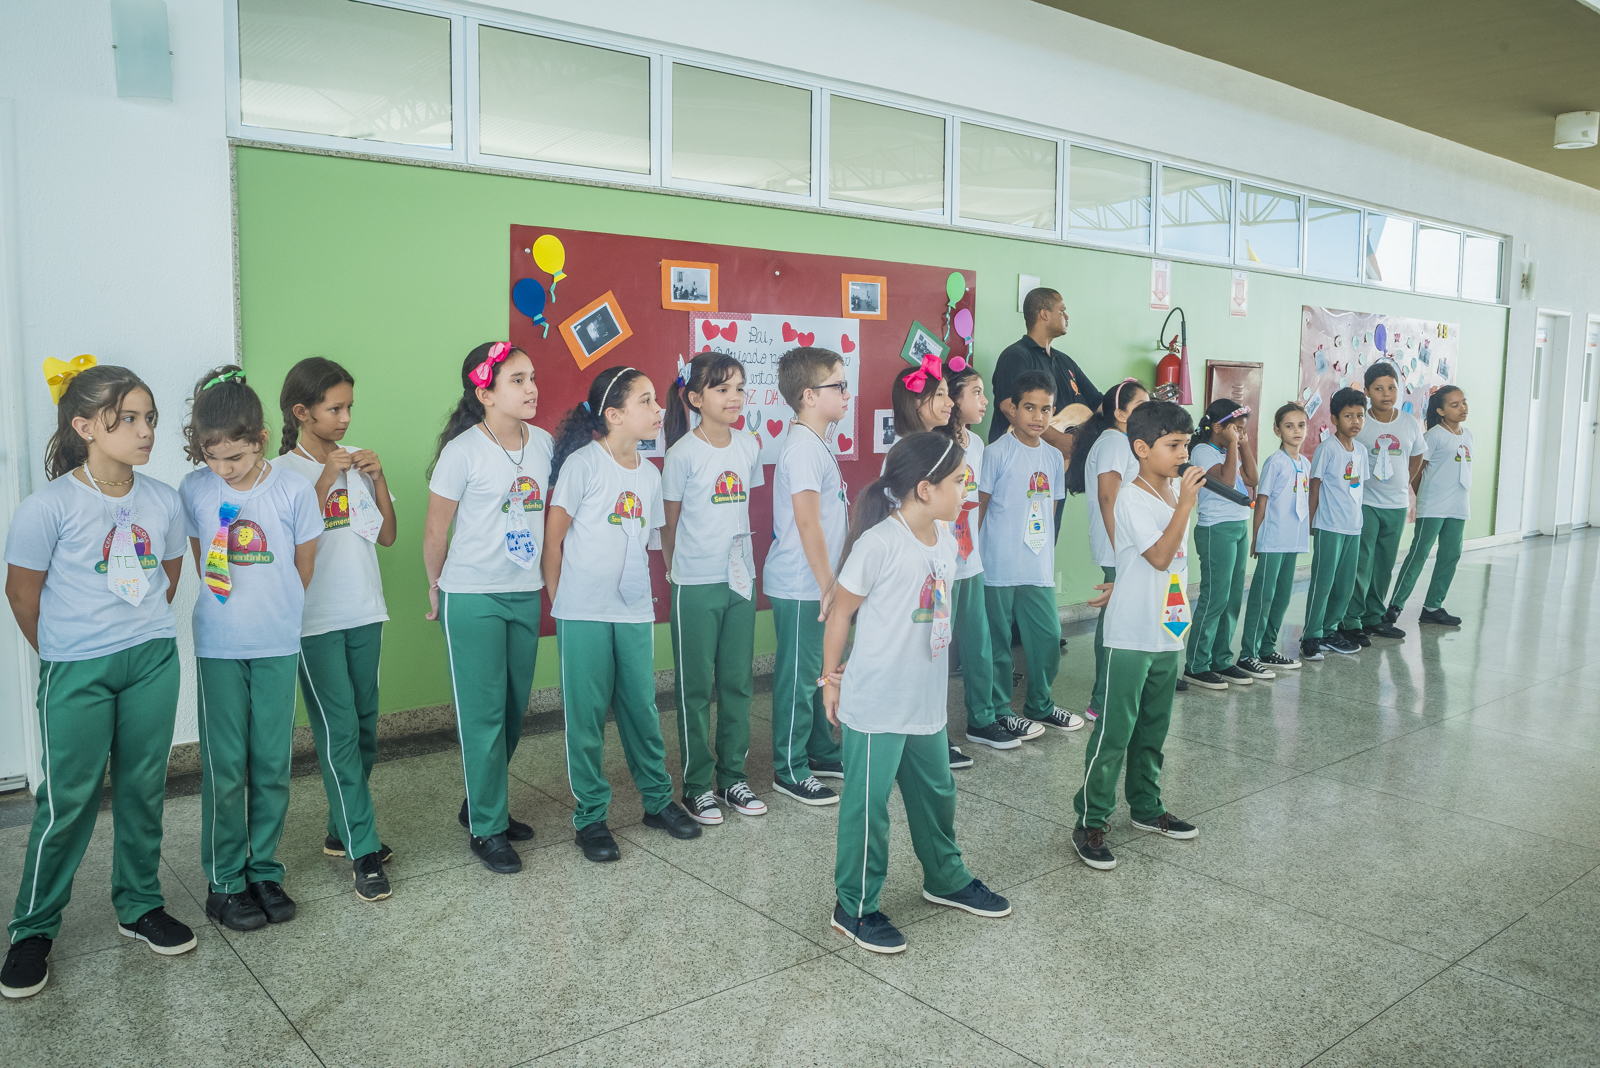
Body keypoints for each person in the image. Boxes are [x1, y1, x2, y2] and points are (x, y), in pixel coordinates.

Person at [2, 363, 194, 1000]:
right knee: (68, 802)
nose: (146, 432)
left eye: (149, 419)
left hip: (151, 662)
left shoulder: (164, 500)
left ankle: (139, 905)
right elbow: (22, 594)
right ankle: (32, 929)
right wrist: (62, 652)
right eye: (129, 420)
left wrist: (135, 638)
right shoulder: (49, 506)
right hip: (77, 670)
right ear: (85, 427)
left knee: (143, 789)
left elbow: (167, 576)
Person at [822, 433, 1013, 954]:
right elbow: (841, 612)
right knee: (869, 807)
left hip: (924, 701)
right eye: (958, 481)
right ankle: (854, 906)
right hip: (878, 700)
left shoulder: (946, 536)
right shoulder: (879, 543)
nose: (966, 487)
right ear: (925, 489)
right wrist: (829, 678)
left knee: (937, 796)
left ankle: (945, 878)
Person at [179, 366, 321, 930]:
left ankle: (264, 870)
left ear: (260, 440)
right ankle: (225, 881)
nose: (222, 468)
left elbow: (302, 565)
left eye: (233, 457)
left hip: (277, 643)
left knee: (271, 763)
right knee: (225, 766)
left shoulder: (290, 489)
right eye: (212, 458)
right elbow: (197, 554)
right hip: (218, 646)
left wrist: (273, 611)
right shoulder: (195, 488)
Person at [545, 366, 700, 862]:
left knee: (641, 708)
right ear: (614, 415)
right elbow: (553, 541)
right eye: (647, 402)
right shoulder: (582, 466)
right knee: (586, 717)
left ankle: (657, 801)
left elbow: (651, 543)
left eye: (656, 401)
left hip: (633, 610)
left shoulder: (651, 474)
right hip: (583, 612)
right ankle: (590, 818)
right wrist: (560, 602)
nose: (659, 410)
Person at [425, 342, 550, 875]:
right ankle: (488, 828)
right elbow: (436, 529)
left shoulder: (543, 443)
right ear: (485, 394)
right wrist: (435, 586)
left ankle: (482, 799)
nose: (531, 388)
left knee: (513, 712)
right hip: (473, 595)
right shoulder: (462, 452)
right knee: (482, 717)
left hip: (525, 592)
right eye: (517, 380)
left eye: (531, 377)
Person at [276, 357, 397, 902]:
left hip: (365, 611)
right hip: (314, 621)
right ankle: (362, 849)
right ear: (303, 413)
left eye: (350, 407)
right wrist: (327, 477)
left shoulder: (358, 460)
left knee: (365, 727)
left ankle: (339, 827)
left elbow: (387, 536)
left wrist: (378, 477)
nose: (346, 418)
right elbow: (289, 548)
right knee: (339, 731)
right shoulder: (281, 473)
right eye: (335, 408)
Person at [1072, 401, 1205, 872]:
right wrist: (1187, 505)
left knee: (1153, 728)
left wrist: (1181, 503)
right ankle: (1090, 819)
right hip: (1131, 633)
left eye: (1186, 444)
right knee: (1115, 731)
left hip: (1168, 628)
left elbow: (1159, 562)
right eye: (1172, 446)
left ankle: (1147, 807)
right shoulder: (1132, 495)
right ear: (1142, 448)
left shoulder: (1171, 496)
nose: (1182, 454)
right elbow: (1159, 557)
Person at [661, 352, 767, 825]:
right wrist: (675, 572)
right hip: (696, 582)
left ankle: (732, 777)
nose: (734, 397)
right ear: (695, 397)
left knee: (737, 681)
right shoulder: (682, 453)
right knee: (695, 687)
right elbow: (670, 525)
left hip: (740, 579)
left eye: (740, 388)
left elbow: (746, 511)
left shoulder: (748, 445)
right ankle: (697, 785)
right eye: (723, 389)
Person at [940, 366, 1047, 752]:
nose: (986, 401)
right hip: (939, 564)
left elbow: (976, 507)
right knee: (935, 648)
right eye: (977, 393)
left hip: (970, 561)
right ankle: (932, 731)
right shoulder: (935, 443)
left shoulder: (977, 445)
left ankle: (982, 719)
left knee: (979, 645)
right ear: (953, 399)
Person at [762, 347, 851, 806]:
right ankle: (790, 767)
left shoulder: (817, 443)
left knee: (820, 672)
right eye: (839, 385)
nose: (847, 393)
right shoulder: (799, 448)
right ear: (809, 395)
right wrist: (826, 584)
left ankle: (819, 751)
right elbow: (807, 522)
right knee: (798, 676)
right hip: (803, 584)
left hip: (817, 582)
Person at [889, 361, 983, 768]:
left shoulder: (940, 445)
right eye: (940, 395)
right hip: (916, 570)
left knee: (935, 650)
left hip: (939, 565)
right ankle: (911, 740)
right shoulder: (907, 451)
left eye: (949, 394)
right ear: (917, 401)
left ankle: (929, 736)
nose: (949, 403)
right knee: (914, 654)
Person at [978, 370, 1083, 733]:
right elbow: (979, 509)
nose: (1038, 417)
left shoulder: (1054, 458)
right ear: (1011, 409)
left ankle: (1040, 704)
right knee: (998, 643)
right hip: (997, 566)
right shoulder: (995, 454)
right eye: (1030, 408)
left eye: (1046, 409)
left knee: (1048, 638)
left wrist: (1045, 559)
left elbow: (1050, 514)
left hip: (1036, 567)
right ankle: (999, 709)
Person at [1065, 378, 1148, 720]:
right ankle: (1101, 701)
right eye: (1140, 405)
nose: (1148, 409)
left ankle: (1112, 693)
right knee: (1116, 618)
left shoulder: (1126, 441)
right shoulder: (1114, 441)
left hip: (1128, 543)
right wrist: (1121, 548)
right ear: (1120, 412)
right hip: (1121, 545)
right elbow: (1107, 496)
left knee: (1118, 615)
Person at [988, 287, 1102, 538]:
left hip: (1054, 470)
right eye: (1062, 310)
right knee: (1013, 537)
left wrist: (1133, 400)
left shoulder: (1065, 362)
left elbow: (1099, 403)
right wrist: (1061, 441)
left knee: (1045, 537)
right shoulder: (1015, 356)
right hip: (1018, 468)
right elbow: (1009, 407)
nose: (1067, 316)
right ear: (1043, 314)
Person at [1340, 362, 1425, 644]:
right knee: (1361, 563)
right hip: (1366, 503)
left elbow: (1417, 456)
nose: (1386, 394)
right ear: (1366, 392)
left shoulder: (1409, 422)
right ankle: (1351, 619)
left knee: (1384, 564)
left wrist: (1405, 482)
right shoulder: (1361, 424)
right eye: (1378, 389)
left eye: (1391, 388)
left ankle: (1374, 617)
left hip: (1397, 505)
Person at [1182, 400, 1259, 690]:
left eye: (1242, 431)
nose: (1239, 435)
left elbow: (1252, 478)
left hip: (1238, 525)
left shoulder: (1231, 450)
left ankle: (1221, 659)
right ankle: (1196, 665)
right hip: (1216, 529)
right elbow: (1227, 484)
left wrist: (1243, 445)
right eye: (1235, 430)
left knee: (1232, 597)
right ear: (1218, 428)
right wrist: (1231, 446)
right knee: (1214, 597)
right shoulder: (1202, 450)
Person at [1388, 386, 1472, 627]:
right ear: (1440, 411)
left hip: (1458, 506)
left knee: (1451, 555)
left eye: (1463, 402)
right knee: (1419, 554)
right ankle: (1396, 604)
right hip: (1434, 506)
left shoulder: (1468, 436)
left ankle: (1433, 606)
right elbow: (1416, 471)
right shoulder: (1433, 436)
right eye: (1455, 405)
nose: (1462, 408)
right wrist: (1423, 498)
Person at [1238, 403, 1310, 674]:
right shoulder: (1275, 462)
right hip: (1273, 539)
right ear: (1277, 430)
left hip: (1294, 540)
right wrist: (1257, 537)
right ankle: (1248, 653)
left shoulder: (1305, 462)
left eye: (1301, 425)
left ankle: (1267, 649)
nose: (1296, 431)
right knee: (1263, 597)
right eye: (1289, 426)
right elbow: (1262, 501)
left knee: (1281, 597)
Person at [1300, 388, 1368, 661]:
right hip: (1329, 525)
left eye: (1360, 416)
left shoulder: (1361, 451)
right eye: (1348, 416)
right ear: (1334, 419)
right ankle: (1312, 635)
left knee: (1345, 583)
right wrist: (1311, 521)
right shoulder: (1327, 449)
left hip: (1353, 526)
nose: (1355, 421)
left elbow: (1358, 488)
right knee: (1323, 582)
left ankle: (1330, 630)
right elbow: (1314, 487)